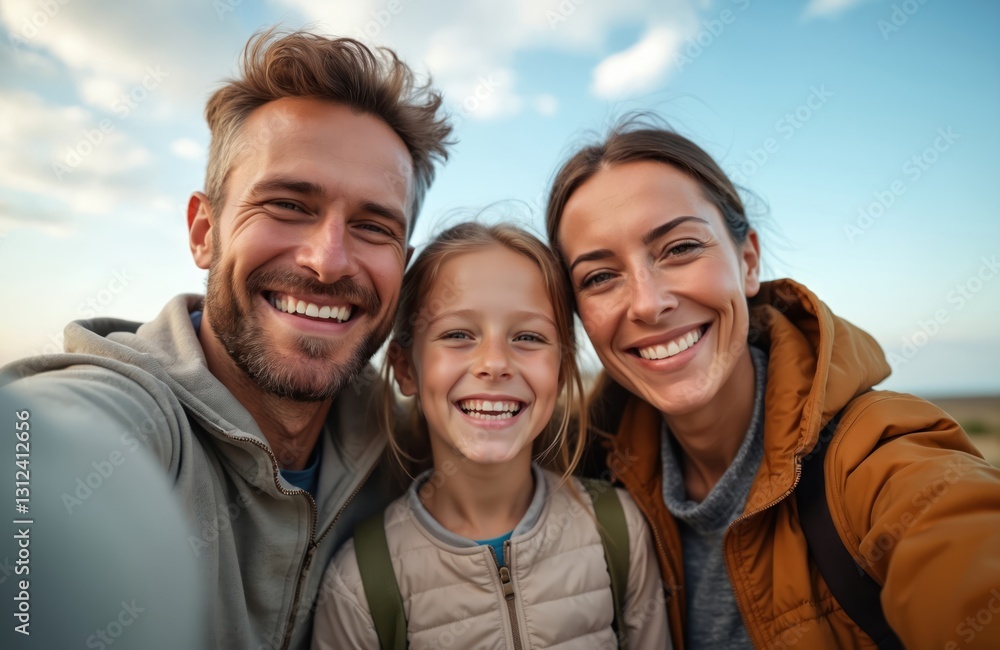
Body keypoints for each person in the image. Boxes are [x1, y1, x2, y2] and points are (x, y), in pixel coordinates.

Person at [0, 28, 452, 650]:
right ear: (204, 232)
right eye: (289, 205)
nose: (328, 261)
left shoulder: (413, 455)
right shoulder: (132, 423)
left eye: (374, 226)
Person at [544, 117, 1000, 650]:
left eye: (680, 248)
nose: (648, 303)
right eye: (600, 277)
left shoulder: (876, 456)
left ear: (748, 260)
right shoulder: (585, 485)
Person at [312, 222, 670, 648]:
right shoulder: (359, 583)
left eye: (529, 336)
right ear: (406, 367)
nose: (495, 363)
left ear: (563, 369)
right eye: (458, 335)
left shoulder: (621, 529)